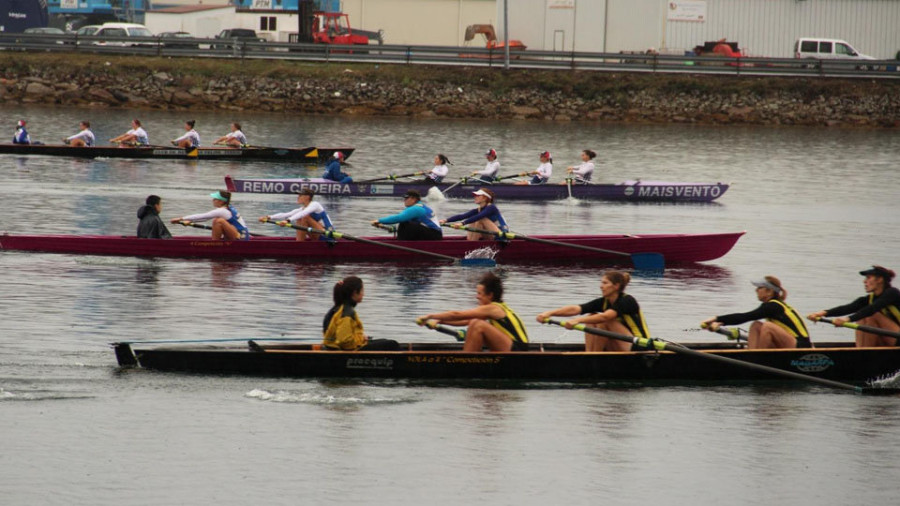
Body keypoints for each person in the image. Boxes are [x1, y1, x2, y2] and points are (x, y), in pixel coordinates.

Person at [536, 270, 649, 352]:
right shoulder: (604, 301)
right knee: (591, 316)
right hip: (621, 344)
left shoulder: (627, 300)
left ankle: (595, 356)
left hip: (639, 345)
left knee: (603, 321)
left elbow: (605, 317)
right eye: (601, 283)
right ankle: (589, 353)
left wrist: (577, 321)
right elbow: (577, 309)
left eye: (605, 283)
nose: (601, 286)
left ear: (616, 286)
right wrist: (549, 313)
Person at [418, 272, 529, 352]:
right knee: (475, 322)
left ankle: (465, 361)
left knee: (478, 325)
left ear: (490, 295)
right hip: (513, 347)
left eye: (479, 294)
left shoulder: (493, 308)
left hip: (518, 350)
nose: (477, 297)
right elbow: (466, 321)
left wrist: (430, 315)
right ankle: (470, 356)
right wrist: (439, 321)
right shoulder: (496, 309)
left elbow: (457, 315)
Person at [701, 276, 811, 349]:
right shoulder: (773, 305)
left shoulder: (773, 306)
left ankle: (760, 357)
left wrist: (716, 319)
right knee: (756, 325)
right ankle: (751, 355)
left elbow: (745, 316)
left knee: (767, 326)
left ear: (769, 291)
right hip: (789, 343)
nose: (756, 290)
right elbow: (748, 318)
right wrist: (722, 323)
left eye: (759, 288)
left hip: (801, 347)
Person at [807, 266, 900, 347]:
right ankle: (862, 351)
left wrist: (847, 320)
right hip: (892, 338)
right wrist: (822, 313)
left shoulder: (892, 293)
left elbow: (872, 309)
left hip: (897, 338)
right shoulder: (870, 298)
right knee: (862, 317)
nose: (864, 281)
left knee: (871, 315)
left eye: (868, 278)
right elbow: (849, 307)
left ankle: (863, 355)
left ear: (880, 279)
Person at [323, 276, 399, 351]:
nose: (363, 294)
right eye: (362, 290)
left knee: (384, 341)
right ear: (355, 292)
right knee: (392, 344)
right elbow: (344, 341)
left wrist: (361, 338)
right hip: (343, 350)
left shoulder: (339, 308)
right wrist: (361, 339)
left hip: (336, 347)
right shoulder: (347, 312)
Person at [170, 190, 249, 241]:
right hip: (240, 235)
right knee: (217, 220)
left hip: (241, 237)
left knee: (218, 221)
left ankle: (214, 245)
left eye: (215, 199)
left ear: (221, 201)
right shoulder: (228, 207)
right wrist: (189, 220)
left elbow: (203, 216)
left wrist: (180, 219)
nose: (213, 200)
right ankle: (216, 243)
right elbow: (204, 219)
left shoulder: (222, 211)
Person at [259, 188, 333, 241]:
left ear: (307, 197)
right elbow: (287, 214)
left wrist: (287, 221)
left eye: (300, 195)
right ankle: (299, 242)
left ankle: (299, 245)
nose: (298, 197)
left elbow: (303, 213)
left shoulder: (315, 205)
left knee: (305, 217)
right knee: (299, 218)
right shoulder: (303, 208)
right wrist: (269, 217)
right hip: (318, 234)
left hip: (328, 234)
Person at [371, 190, 442, 241]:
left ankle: (401, 244)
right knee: (406, 223)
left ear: (414, 199)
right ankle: (402, 242)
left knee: (404, 222)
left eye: (406, 198)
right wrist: (389, 228)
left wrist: (379, 220)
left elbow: (399, 218)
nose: (404, 200)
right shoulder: (420, 206)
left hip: (434, 236)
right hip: (434, 234)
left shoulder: (417, 209)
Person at [440, 188, 508, 241]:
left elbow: (479, 216)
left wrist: (462, 223)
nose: (475, 197)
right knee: (473, 219)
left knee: (480, 219)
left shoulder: (491, 207)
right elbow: (462, 216)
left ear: (485, 198)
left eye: (478, 195)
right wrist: (445, 220)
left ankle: (472, 244)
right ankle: (470, 241)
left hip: (501, 236)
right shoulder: (479, 209)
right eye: (475, 195)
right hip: (491, 235)